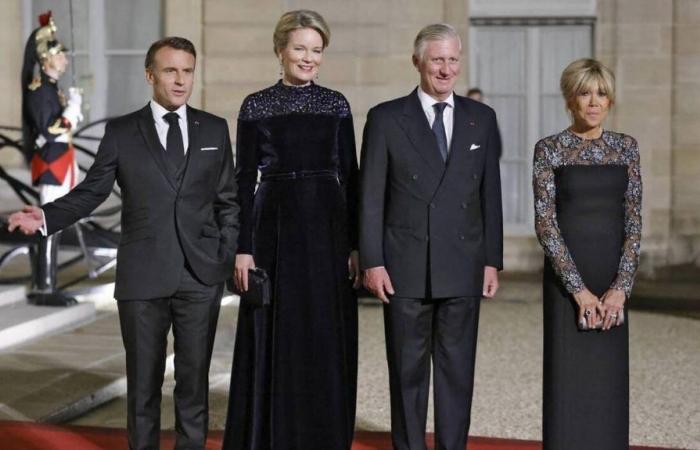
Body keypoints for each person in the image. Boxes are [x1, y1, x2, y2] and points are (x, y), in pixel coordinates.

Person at [9, 36, 239, 450]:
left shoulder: (214, 129)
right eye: (170, 70)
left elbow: (229, 201)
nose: (181, 80)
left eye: (187, 70)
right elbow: (92, 192)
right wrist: (45, 216)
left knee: (193, 388)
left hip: (199, 277)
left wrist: (222, 255)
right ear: (150, 75)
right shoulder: (122, 131)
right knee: (144, 388)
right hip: (142, 278)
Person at [359, 23, 503, 450]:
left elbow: (488, 195)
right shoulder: (385, 118)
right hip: (404, 266)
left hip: (463, 263)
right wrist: (372, 260)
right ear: (417, 61)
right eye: (437, 59)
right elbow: (370, 197)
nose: (446, 69)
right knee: (406, 372)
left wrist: (491, 259)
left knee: (458, 371)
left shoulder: (482, 118)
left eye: (453, 59)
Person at [222, 10, 359, 450]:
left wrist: (356, 246)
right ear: (280, 49)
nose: (308, 58)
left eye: (316, 50)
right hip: (274, 226)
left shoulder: (336, 104)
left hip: (327, 225)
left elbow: (352, 179)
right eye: (300, 48)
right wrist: (243, 248)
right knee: (275, 331)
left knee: (322, 332)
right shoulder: (255, 105)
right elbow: (243, 181)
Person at [533, 58, 642, 450]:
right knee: (568, 382)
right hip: (567, 286)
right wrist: (578, 291)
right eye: (584, 93)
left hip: (613, 282)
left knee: (607, 383)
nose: (593, 102)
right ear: (569, 99)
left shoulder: (626, 148)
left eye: (601, 94)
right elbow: (546, 225)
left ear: (610, 100)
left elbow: (634, 223)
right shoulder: (549, 149)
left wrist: (620, 289)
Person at [21, 11, 83, 306]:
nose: (65, 61)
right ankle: (45, 286)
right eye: (60, 56)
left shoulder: (50, 88)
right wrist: (72, 110)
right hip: (52, 165)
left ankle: (48, 283)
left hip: (60, 163)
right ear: (46, 58)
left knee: (54, 226)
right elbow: (49, 129)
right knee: (49, 225)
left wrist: (71, 106)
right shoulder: (39, 90)